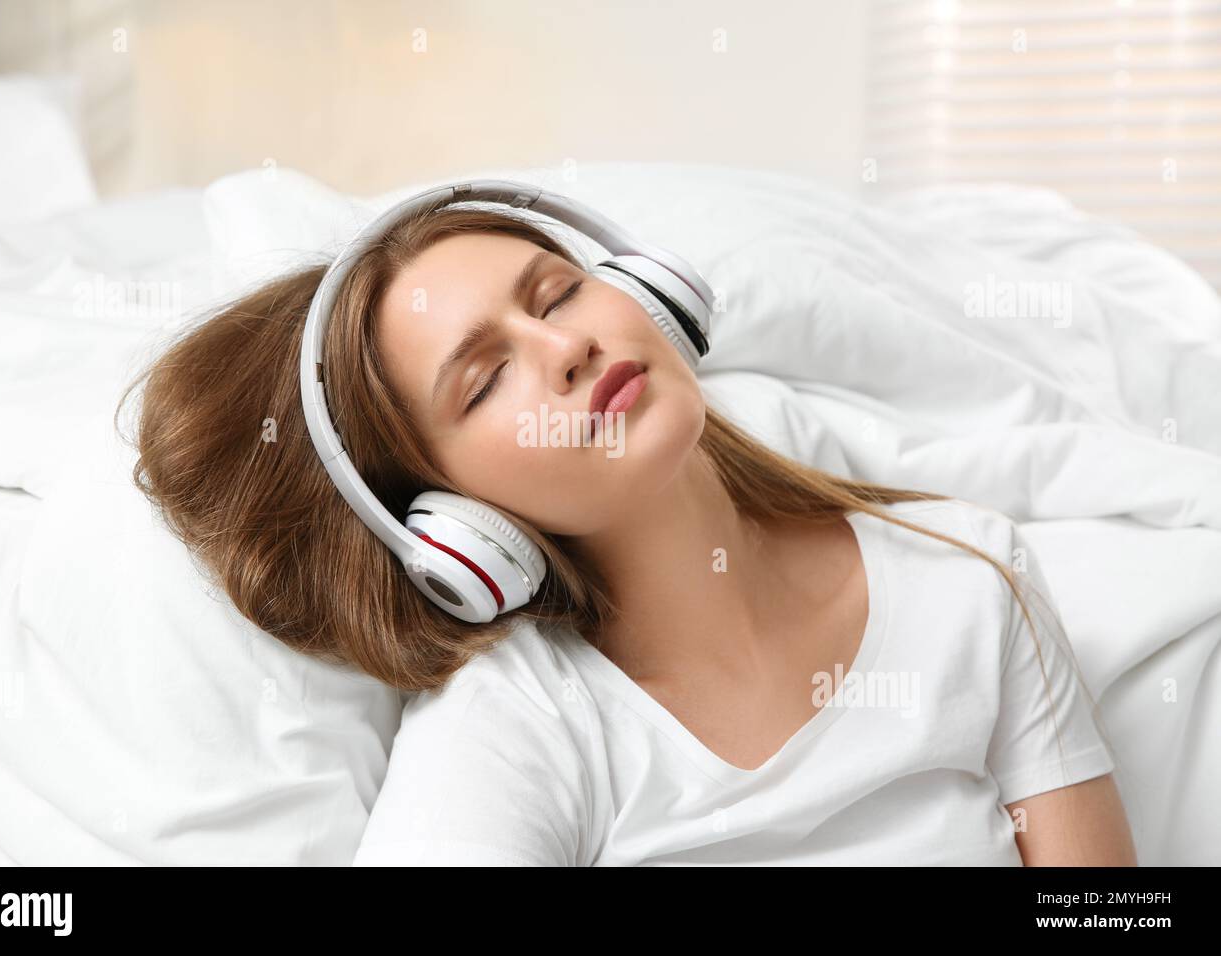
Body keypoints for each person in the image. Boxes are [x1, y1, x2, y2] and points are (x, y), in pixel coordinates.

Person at [120, 202, 1137, 866]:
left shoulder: (970, 571)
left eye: (557, 291)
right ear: (450, 525)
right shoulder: (519, 729)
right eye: (484, 378)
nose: (566, 346)